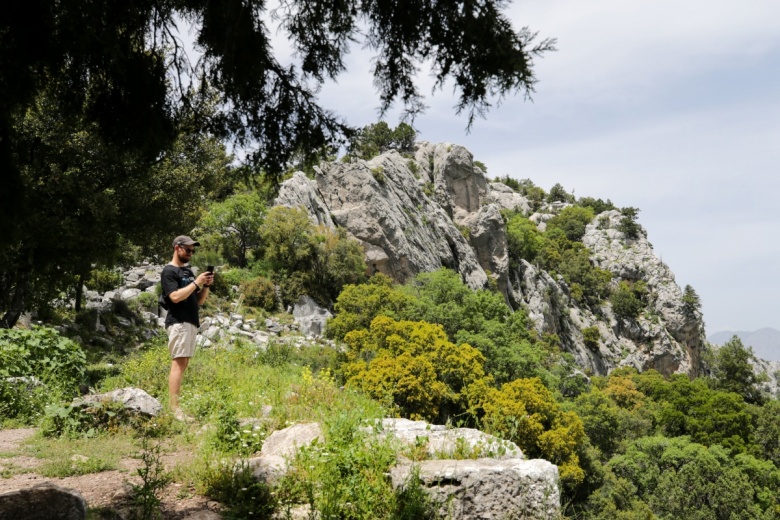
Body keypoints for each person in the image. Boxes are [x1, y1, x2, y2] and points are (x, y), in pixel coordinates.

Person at [160, 235, 213, 421]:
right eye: (187, 250)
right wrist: (196, 283)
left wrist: (204, 286)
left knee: (184, 363)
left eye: (193, 251)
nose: (191, 253)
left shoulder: (189, 273)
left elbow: (198, 301)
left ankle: (176, 407)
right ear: (177, 248)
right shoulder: (169, 271)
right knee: (179, 363)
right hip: (178, 322)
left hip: (190, 321)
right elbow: (174, 297)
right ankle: (174, 410)